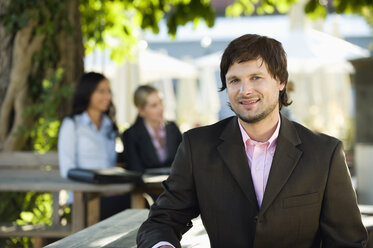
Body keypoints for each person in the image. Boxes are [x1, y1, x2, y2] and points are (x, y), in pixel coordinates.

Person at [136, 34, 368, 248]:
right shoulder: (197, 147)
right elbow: (161, 221)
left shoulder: (324, 153)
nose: (245, 90)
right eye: (234, 80)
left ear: (280, 81)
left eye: (256, 77)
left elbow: (347, 242)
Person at [58, 72, 128, 220]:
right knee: (140, 207)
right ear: (87, 92)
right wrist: (98, 186)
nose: (107, 96)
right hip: (82, 199)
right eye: (101, 91)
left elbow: (110, 166)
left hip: (110, 195)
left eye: (108, 91)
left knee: (144, 205)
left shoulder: (108, 125)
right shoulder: (72, 125)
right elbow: (67, 170)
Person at [122, 85, 182, 174]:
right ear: (141, 111)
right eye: (154, 106)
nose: (161, 108)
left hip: (175, 184)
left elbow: (184, 161)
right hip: (146, 187)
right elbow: (135, 169)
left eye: (161, 103)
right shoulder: (131, 135)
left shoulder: (172, 128)